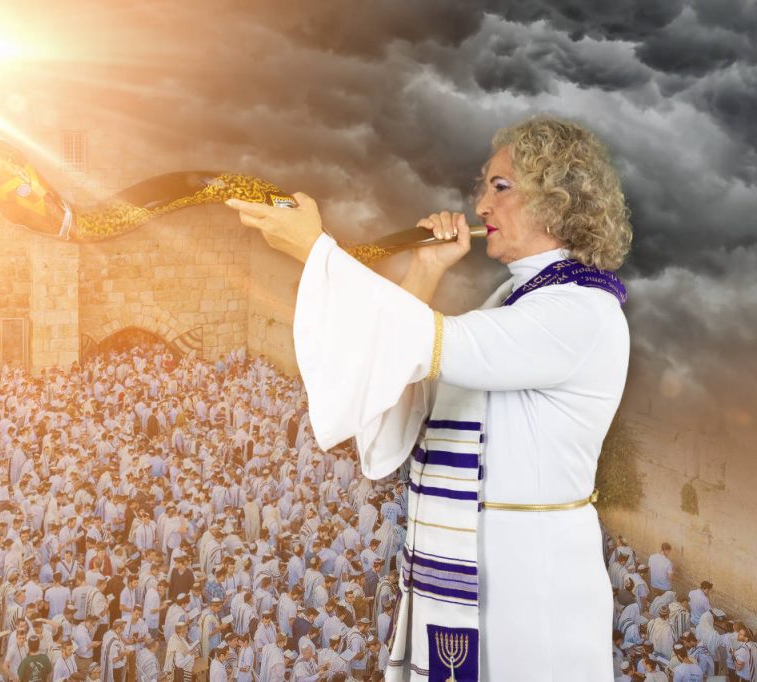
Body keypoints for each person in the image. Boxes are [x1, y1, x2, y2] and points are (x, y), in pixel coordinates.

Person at [226, 116, 633, 681]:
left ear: (557, 198)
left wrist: (318, 252)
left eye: (501, 186)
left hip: (532, 589)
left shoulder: (579, 310)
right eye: (484, 187)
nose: (481, 205)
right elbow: (400, 405)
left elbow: (432, 343)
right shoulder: (507, 304)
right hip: (468, 574)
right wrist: (424, 267)